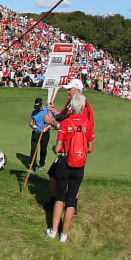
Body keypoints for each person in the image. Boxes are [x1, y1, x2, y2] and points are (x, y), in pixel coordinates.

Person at [46, 94, 92, 243]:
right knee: (71, 199)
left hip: (64, 162)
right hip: (79, 165)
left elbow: (58, 148)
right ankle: (64, 235)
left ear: (71, 107)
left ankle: (53, 231)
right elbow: (90, 148)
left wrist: (55, 147)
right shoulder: (88, 124)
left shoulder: (65, 123)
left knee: (60, 197)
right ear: (83, 107)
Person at [28, 98, 51, 170]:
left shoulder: (47, 111)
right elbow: (31, 121)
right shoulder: (34, 112)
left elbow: (52, 123)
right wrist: (32, 125)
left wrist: (45, 129)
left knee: (43, 150)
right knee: (33, 150)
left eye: (38, 107)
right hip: (36, 132)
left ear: (42, 105)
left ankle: (41, 164)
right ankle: (32, 167)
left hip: (45, 134)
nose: (37, 109)